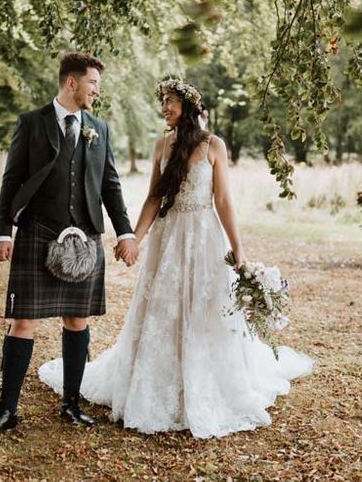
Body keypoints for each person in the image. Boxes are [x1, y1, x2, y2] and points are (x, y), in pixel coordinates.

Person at [39, 77, 313, 438]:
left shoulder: (214, 146)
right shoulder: (161, 146)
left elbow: (224, 201)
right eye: (163, 101)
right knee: (163, 309)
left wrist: (239, 252)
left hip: (204, 238)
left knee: (204, 308)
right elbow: (154, 198)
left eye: (169, 101)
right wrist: (133, 239)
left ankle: (203, 382)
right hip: (169, 240)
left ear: (187, 105)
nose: (164, 107)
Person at [0, 52, 138, 435]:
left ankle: (71, 403)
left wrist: (125, 232)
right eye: (93, 83)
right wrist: (3, 231)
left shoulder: (99, 128)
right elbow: (11, 179)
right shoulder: (32, 123)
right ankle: (7, 410)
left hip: (84, 238)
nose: (97, 90)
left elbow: (109, 185)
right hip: (37, 232)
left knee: (77, 321)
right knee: (23, 321)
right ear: (71, 83)